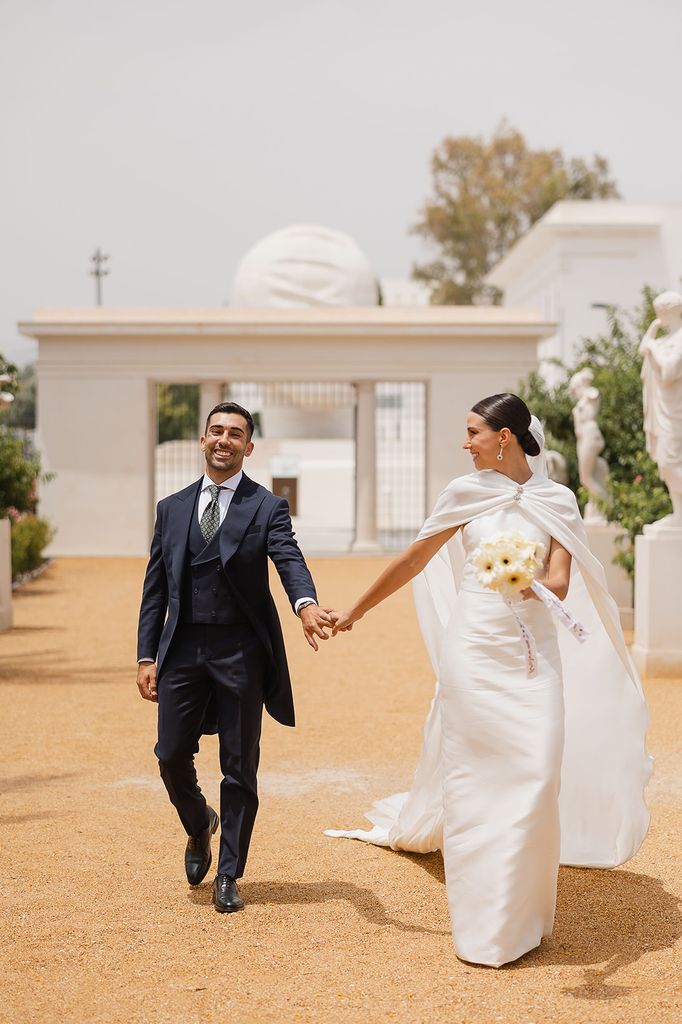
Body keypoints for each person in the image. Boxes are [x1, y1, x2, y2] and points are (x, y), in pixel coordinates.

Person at [326, 394, 651, 967]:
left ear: (505, 436)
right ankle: (486, 927)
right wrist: (355, 610)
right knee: (476, 780)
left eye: (473, 431)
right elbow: (412, 560)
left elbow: (560, 579)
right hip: (474, 651)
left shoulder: (558, 499)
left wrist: (526, 581)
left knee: (537, 772)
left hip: (534, 656)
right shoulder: (464, 493)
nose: (465, 442)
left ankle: (522, 914)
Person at [136, 401, 333, 913]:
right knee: (171, 755)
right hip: (181, 650)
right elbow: (155, 588)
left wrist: (305, 604)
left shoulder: (266, 507)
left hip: (241, 650)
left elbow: (289, 557)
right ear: (203, 441)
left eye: (236, 433)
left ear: (249, 447)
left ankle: (229, 872)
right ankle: (200, 824)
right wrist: (145, 655)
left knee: (239, 764)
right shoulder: (171, 508)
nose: (224, 439)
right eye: (216, 431)